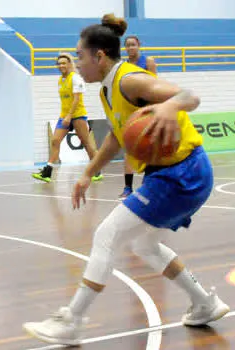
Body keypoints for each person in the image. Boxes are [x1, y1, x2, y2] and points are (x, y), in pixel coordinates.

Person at [23, 14, 229, 346]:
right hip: (170, 174)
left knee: (107, 235)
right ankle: (205, 303)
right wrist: (88, 172)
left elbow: (189, 96)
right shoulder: (106, 91)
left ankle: (71, 321)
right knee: (143, 244)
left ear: (99, 56)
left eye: (80, 56)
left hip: (183, 172)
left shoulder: (129, 80)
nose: (76, 64)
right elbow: (117, 138)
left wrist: (169, 107)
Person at [33, 53, 102, 183]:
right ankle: (47, 172)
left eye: (64, 63)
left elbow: (76, 99)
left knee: (86, 143)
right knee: (55, 140)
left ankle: (97, 170)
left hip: (77, 115)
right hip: (64, 116)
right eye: (59, 63)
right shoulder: (61, 80)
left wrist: (70, 116)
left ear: (70, 64)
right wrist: (65, 116)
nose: (61, 66)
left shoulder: (75, 78)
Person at [120, 35, 158, 199]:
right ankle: (128, 187)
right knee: (128, 149)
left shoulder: (148, 61)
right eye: (127, 45)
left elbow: (155, 85)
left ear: (139, 45)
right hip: (131, 110)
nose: (130, 48)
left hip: (147, 109)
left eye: (133, 45)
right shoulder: (124, 65)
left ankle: (148, 183)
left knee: (149, 147)